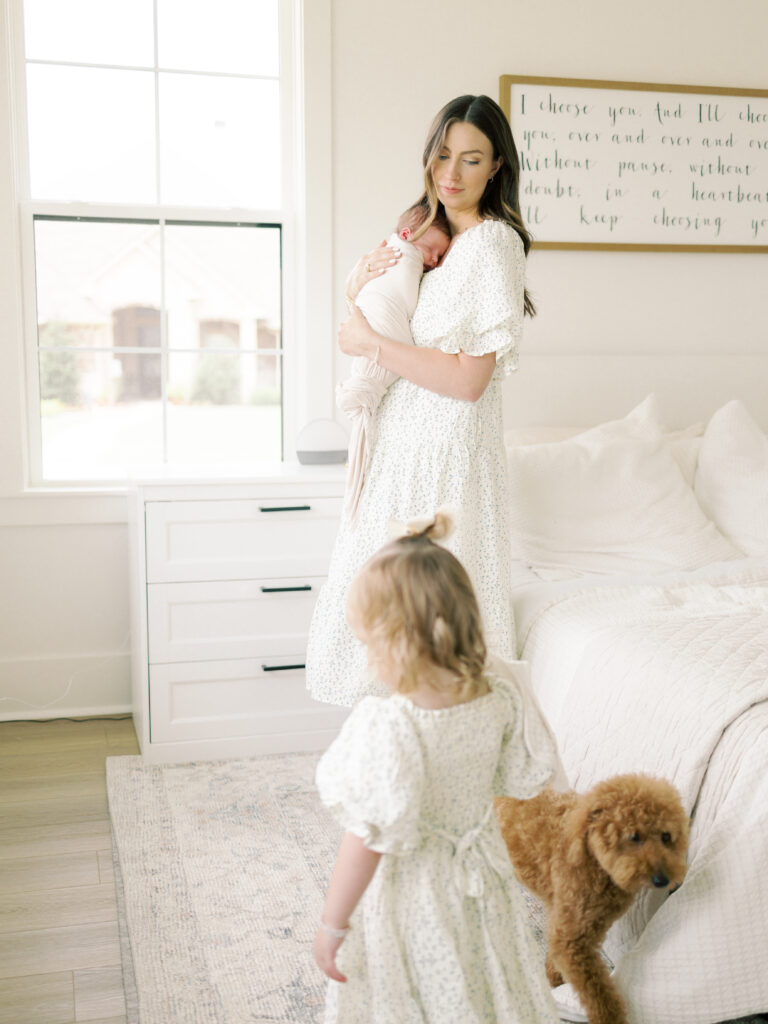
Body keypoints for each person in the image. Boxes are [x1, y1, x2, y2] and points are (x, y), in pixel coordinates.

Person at [307, 94, 535, 706]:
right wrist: (359, 290)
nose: (451, 174)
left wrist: (372, 344)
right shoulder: (430, 241)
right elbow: (388, 327)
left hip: (448, 459)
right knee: (388, 630)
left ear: (496, 169)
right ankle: (392, 777)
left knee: (435, 641)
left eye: (471, 159)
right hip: (401, 450)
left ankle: (454, 780)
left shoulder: (493, 245)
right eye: (442, 156)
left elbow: (468, 381)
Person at [313, 512, 564, 1024]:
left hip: (418, 894)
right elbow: (516, 777)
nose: (365, 658)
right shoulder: (502, 694)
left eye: (367, 644)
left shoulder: (390, 729)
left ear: (397, 642)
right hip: (485, 882)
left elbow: (366, 839)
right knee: (488, 973)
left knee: (421, 985)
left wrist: (332, 924)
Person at [336, 202, 451, 522]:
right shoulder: (400, 258)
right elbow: (384, 303)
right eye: (431, 250)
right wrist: (352, 292)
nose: (434, 260)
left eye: (440, 255)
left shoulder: (416, 264)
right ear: (405, 235)